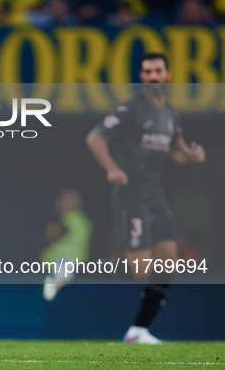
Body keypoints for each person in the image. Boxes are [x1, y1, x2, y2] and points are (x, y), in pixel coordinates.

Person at [85, 53, 206, 343]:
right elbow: (95, 138)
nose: (153, 76)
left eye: (158, 71)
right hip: (131, 193)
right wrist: (112, 168)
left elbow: (175, 151)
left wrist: (192, 156)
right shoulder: (132, 109)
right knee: (139, 269)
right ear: (142, 76)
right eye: (148, 71)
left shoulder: (170, 113)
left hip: (155, 195)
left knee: (169, 261)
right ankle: (73, 269)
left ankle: (138, 330)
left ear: (168, 74)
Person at [41, 189, 93, 301]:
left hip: (66, 263)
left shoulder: (70, 220)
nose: (58, 203)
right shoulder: (79, 221)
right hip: (58, 266)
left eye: (63, 200)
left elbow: (60, 232)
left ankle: (57, 279)